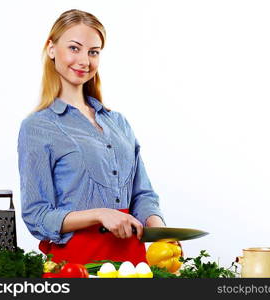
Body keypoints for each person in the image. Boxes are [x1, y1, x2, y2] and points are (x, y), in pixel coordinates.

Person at [17, 9, 171, 265]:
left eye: (93, 52)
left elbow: (142, 194)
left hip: (134, 263)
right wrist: (99, 214)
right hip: (77, 264)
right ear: (52, 49)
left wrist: (159, 229)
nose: (84, 61)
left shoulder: (118, 122)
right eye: (74, 48)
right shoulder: (37, 127)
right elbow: (37, 215)